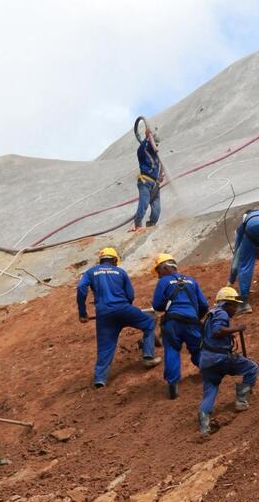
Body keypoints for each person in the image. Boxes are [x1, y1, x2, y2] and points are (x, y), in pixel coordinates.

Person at [76, 245, 157, 388]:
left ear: (101, 260)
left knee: (105, 347)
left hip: (104, 315)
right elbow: (130, 295)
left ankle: (100, 379)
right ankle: (148, 356)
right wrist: (127, 309)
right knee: (149, 323)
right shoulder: (121, 272)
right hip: (124, 308)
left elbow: (81, 288)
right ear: (114, 260)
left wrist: (82, 313)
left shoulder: (90, 272)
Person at [197, 286, 256, 435]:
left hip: (206, 362)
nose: (235, 309)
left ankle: (204, 423)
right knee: (252, 368)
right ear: (225, 304)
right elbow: (217, 331)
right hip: (220, 358)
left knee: (210, 389)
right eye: (234, 305)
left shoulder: (211, 314)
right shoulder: (222, 313)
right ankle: (241, 400)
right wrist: (236, 329)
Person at [151, 252, 207, 399]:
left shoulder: (163, 282)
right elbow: (204, 304)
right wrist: (195, 318)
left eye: (158, 271)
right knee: (197, 348)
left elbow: (157, 304)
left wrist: (167, 304)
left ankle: (173, 383)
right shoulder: (191, 280)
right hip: (192, 321)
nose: (158, 275)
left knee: (172, 350)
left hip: (172, 322)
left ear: (165, 269)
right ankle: (208, 371)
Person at [133, 118, 165, 230]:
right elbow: (141, 149)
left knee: (157, 210)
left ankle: (150, 226)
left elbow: (161, 168)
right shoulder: (143, 150)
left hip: (155, 185)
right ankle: (137, 224)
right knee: (144, 204)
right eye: (154, 143)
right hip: (145, 182)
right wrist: (147, 138)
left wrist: (161, 175)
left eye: (157, 144)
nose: (156, 146)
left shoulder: (157, 156)